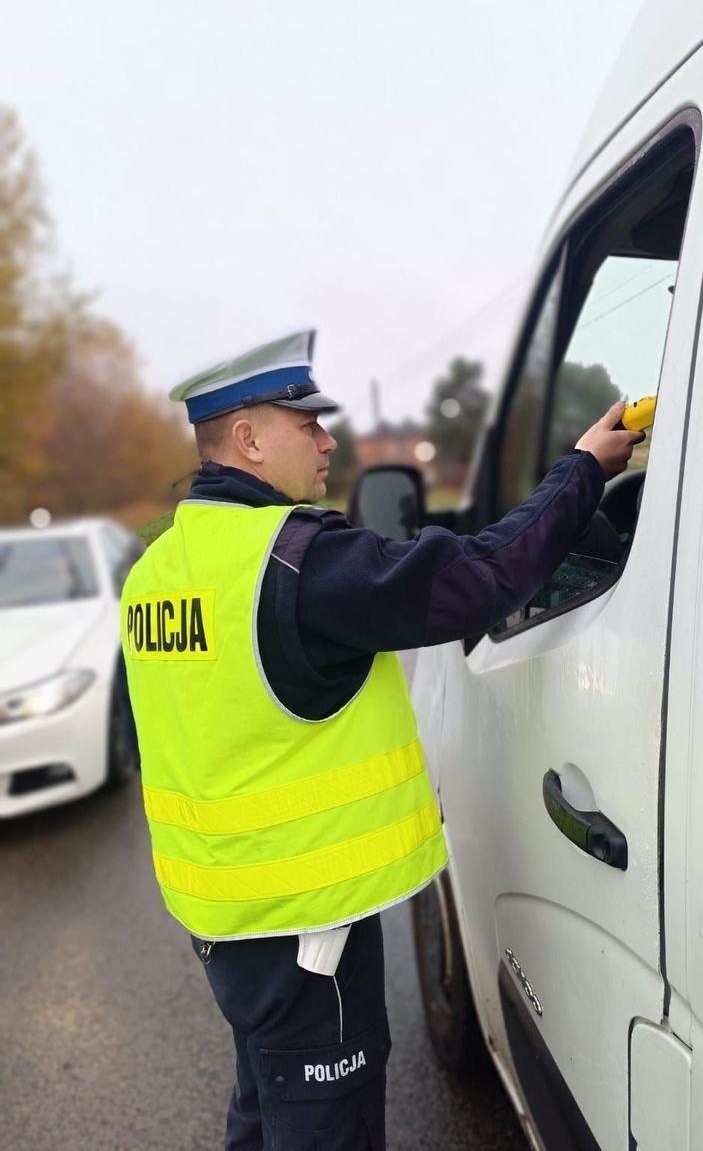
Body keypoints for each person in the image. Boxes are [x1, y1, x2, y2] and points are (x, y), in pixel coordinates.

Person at [120, 329, 642, 1151]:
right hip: (304, 929)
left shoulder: (157, 570)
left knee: (264, 1107)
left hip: (222, 917)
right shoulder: (298, 565)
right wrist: (583, 469)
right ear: (248, 439)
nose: (330, 440)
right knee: (324, 1129)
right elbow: (480, 579)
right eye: (307, 425)